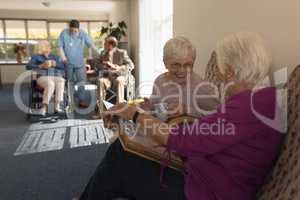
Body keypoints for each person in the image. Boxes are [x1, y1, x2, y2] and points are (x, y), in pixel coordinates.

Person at [78, 32, 284, 200]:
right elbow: (209, 135)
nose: (221, 78)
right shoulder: (262, 100)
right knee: (120, 153)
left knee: (119, 158)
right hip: (199, 173)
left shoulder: (250, 105)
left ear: (230, 71)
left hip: (204, 191)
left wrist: (135, 115)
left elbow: (185, 139)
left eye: (222, 72)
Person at [144, 36, 219, 119]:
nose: (182, 70)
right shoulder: (159, 81)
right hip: (163, 130)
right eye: (176, 64)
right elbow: (157, 112)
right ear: (165, 63)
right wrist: (149, 109)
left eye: (188, 65)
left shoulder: (203, 88)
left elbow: (218, 118)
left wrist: (187, 110)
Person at [58, 19, 99, 108]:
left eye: (75, 31)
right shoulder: (64, 33)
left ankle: (82, 100)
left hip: (80, 63)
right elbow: (60, 47)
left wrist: (100, 54)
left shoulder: (82, 34)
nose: (73, 32)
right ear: (69, 28)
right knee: (70, 82)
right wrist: (63, 58)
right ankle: (70, 101)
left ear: (78, 29)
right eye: (71, 30)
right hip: (68, 62)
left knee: (81, 82)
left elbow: (91, 45)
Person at [95, 36, 134, 115]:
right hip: (108, 78)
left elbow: (131, 65)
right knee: (101, 81)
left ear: (111, 44)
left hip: (119, 76)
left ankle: (120, 110)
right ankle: (102, 110)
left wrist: (117, 67)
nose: (104, 45)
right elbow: (97, 64)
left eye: (105, 43)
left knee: (119, 80)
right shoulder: (103, 53)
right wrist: (104, 66)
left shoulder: (122, 52)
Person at [26, 40, 65, 116]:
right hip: (42, 77)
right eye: (48, 46)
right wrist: (40, 66)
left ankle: (57, 106)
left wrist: (56, 64)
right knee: (50, 83)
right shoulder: (36, 57)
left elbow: (63, 67)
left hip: (55, 76)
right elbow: (28, 66)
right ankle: (44, 108)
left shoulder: (54, 57)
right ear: (43, 48)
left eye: (49, 47)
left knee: (61, 80)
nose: (50, 48)